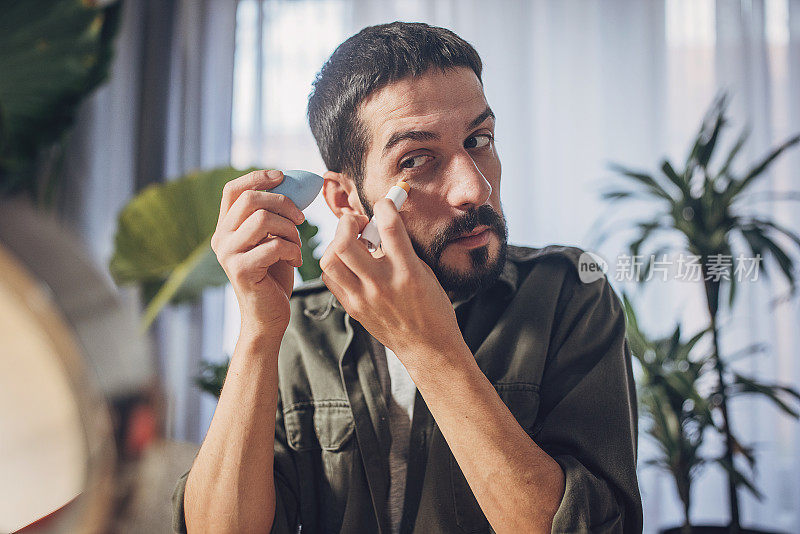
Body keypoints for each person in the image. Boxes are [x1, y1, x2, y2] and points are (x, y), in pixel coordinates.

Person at [172, 21, 642, 534]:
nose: (474, 189)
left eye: (479, 139)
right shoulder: (298, 331)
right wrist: (259, 331)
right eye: (416, 160)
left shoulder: (570, 295)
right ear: (345, 200)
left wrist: (429, 348)